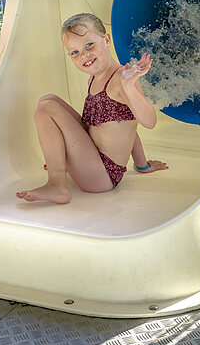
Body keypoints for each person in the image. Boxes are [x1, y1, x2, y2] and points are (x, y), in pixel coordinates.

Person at [17, 13, 167, 204]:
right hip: (91, 162)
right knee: (48, 99)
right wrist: (141, 164)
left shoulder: (122, 79)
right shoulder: (93, 79)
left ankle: (57, 185)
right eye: (75, 52)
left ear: (107, 40)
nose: (84, 55)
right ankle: (59, 163)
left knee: (47, 108)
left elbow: (148, 121)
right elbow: (127, 127)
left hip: (102, 176)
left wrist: (130, 87)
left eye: (89, 45)